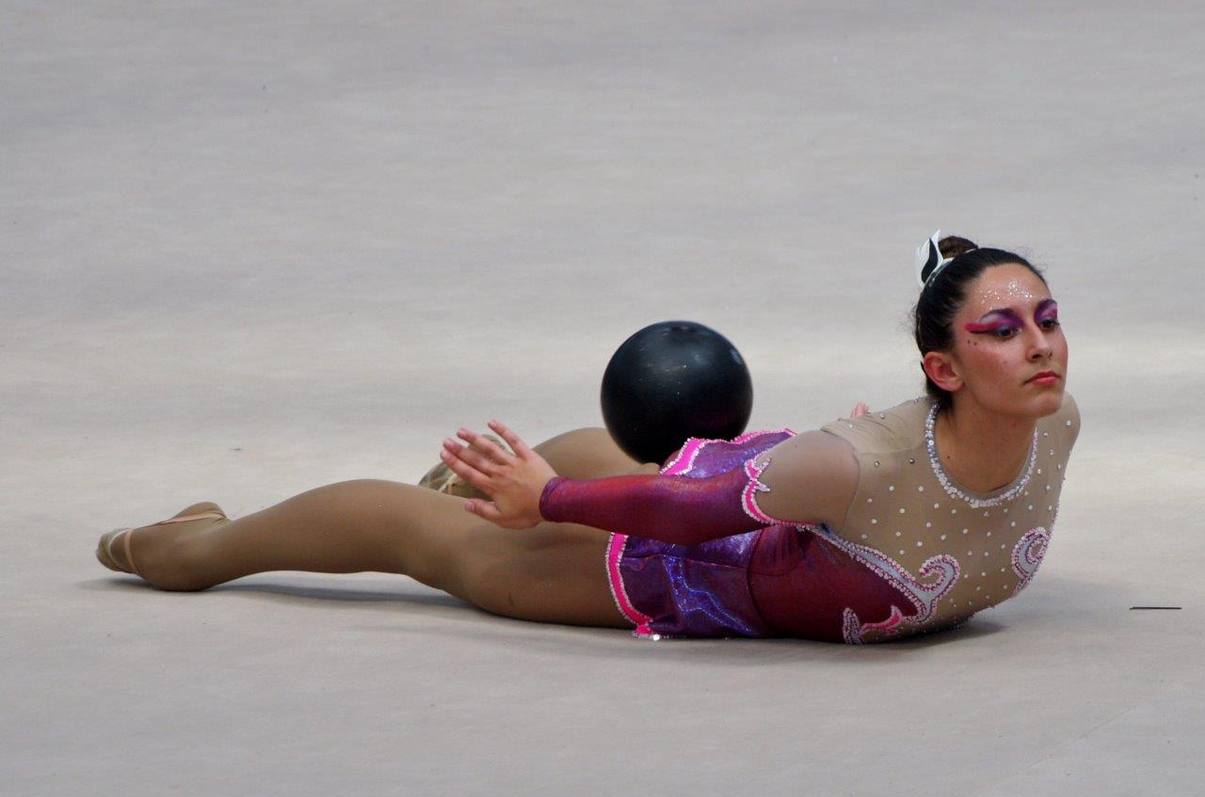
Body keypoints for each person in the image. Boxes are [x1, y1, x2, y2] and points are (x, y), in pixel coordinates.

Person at [96, 232, 1079, 644]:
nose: (1038, 348)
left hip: (775, 500)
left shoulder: (1052, 420)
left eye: (1043, 317)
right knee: (437, 548)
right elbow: (686, 515)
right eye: (1000, 331)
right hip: (687, 561)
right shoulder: (864, 462)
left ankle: (494, 479)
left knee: (584, 483)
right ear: (939, 369)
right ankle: (186, 549)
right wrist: (548, 504)